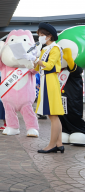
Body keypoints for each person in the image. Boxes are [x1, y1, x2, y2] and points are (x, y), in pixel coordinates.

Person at [34, 22, 65, 153]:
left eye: (42, 35)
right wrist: (32, 59)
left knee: (53, 114)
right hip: (45, 81)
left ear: (49, 36)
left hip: (50, 81)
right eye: (39, 35)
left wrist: (37, 60)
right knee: (53, 115)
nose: (40, 37)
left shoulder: (55, 48)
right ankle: (59, 143)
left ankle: (52, 145)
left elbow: (50, 65)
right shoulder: (44, 49)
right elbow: (37, 67)